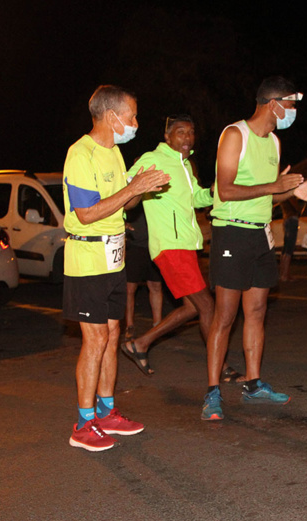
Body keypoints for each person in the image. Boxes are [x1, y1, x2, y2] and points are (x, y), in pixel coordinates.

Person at [203, 77, 307, 420]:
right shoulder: (234, 135)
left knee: (256, 312)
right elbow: (225, 190)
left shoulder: (274, 142)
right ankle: (212, 393)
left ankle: (253, 385)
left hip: (259, 233)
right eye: (292, 104)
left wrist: (293, 192)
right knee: (225, 316)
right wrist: (275, 185)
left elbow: (269, 194)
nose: (293, 112)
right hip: (230, 233)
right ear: (274, 104)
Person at [63, 85, 170, 451]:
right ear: (112, 116)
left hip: (113, 258)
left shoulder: (115, 154)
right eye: (133, 115)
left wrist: (145, 187)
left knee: (111, 335)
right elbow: (87, 212)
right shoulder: (81, 154)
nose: (135, 123)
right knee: (94, 340)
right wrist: (132, 187)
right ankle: (83, 422)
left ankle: (107, 412)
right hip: (88, 260)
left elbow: (120, 205)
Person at [120, 115, 227, 378]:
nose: (187, 138)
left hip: (187, 244)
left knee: (192, 307)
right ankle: (220, 367)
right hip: (170, 245)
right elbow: (125, 187)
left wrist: (213, 192)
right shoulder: (152, 158)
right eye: (180, 132)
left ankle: (140, 343)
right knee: (207, 306)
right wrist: (120, 218)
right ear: (167, 137)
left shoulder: (186, 166)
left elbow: (195, 199)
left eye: (191, 133)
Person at [123, 202, 162, 341]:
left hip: (154, 245)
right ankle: (130, 325)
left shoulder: (155, 194)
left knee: (156, 286)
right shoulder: (132, 191)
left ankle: (157, 325)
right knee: (130, 289)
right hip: (134, 246)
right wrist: (124, 224)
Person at [278, 197, 301, 282]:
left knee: (286, 247)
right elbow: (295, 205)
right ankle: (285, 275)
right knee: (289, 248)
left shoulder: (282, 193)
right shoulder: (289, 194)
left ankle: (283, 273)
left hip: (286, 218)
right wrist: (299, 210)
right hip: (292, 218)